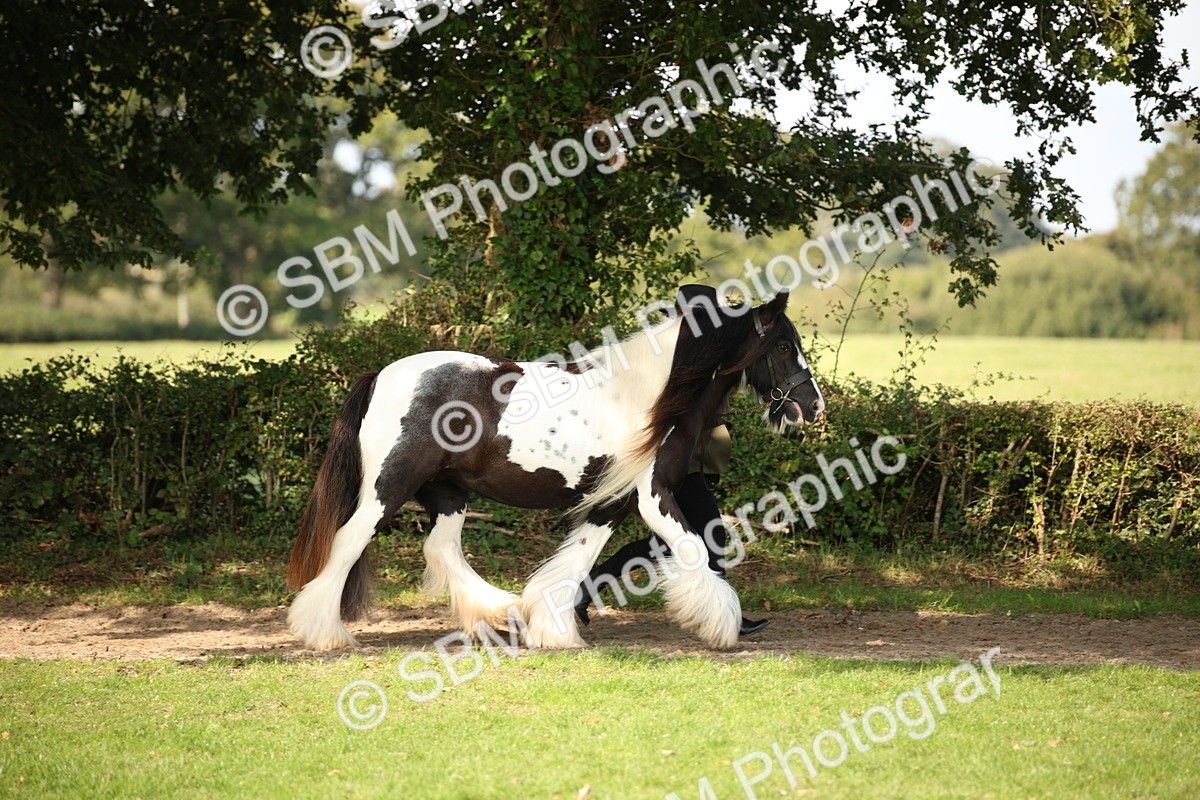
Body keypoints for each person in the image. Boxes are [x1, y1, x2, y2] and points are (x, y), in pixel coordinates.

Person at [573, 285, 769, 638]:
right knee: (710, 538)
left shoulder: (700, 356)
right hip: (681, 467)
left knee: (667, 544)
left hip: (694, 465)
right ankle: (727, 618)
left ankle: (586, 587)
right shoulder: (677, 359)